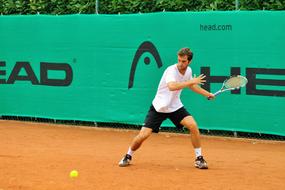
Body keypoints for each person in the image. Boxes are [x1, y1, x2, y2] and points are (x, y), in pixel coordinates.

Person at [119, 47, 215, 169]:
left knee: (193, 126)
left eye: (184, 61)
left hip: (175, 106)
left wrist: (207, 93)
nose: (180, 63)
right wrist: (190, 82)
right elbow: (172, 86)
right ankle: (128, 155)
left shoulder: (189, 71)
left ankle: (199, 159)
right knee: (143, 136)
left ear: (189, 61)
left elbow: (192, 86)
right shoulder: (171, 70)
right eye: (179, 60)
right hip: (159, 107)